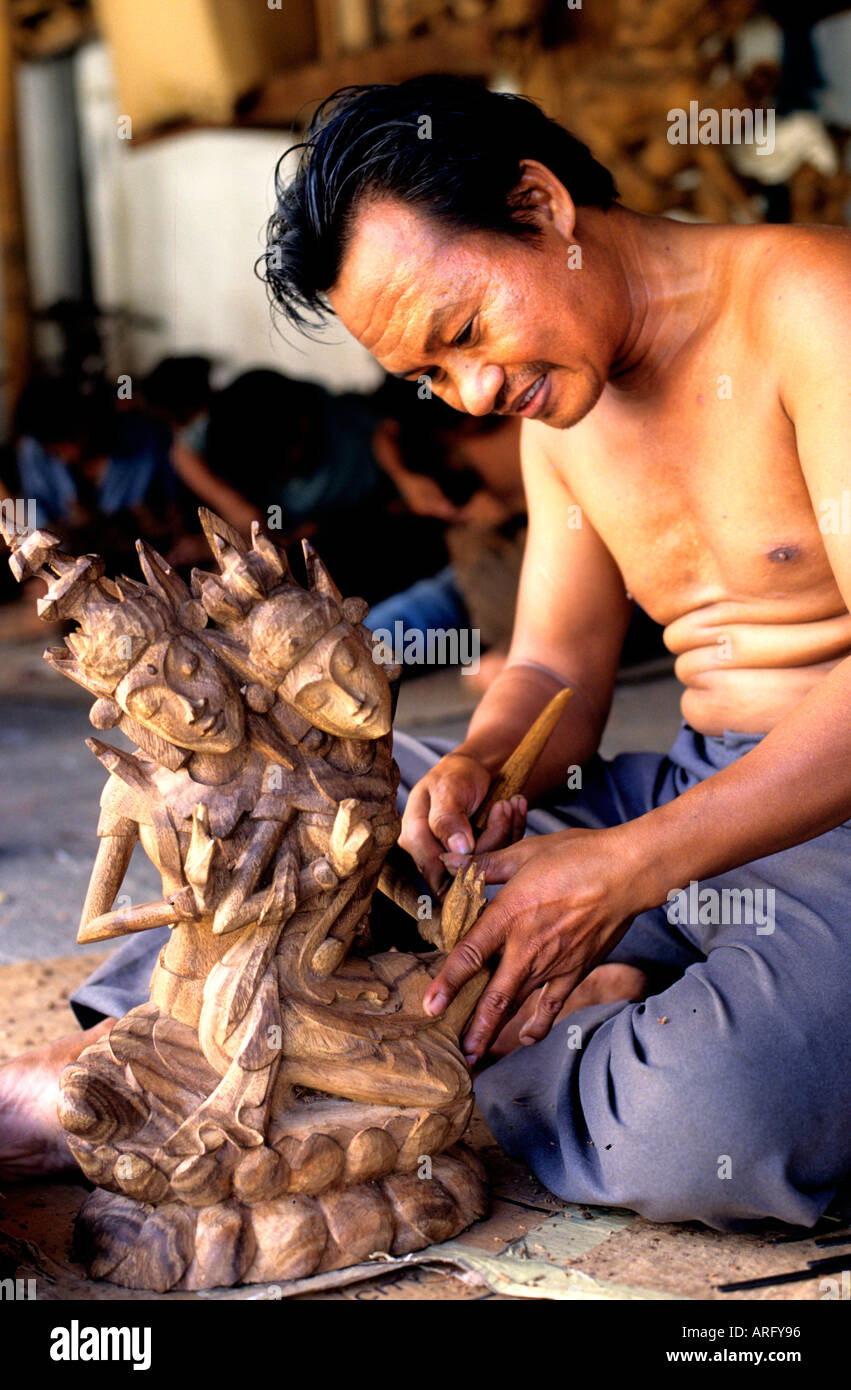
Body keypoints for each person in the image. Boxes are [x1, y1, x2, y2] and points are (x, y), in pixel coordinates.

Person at [2, 76, 849, 1236]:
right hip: (691, 790)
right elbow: (554, 672)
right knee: (273, 802)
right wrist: (486, 770)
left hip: (824, 822)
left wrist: (630, 868)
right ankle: (141, 1052)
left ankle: (360, 1058)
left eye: (462, 332)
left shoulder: (813, 301)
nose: (475, 389)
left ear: (540, 206)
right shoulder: (561, 406)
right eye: (430, 375)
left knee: (703, 1120)